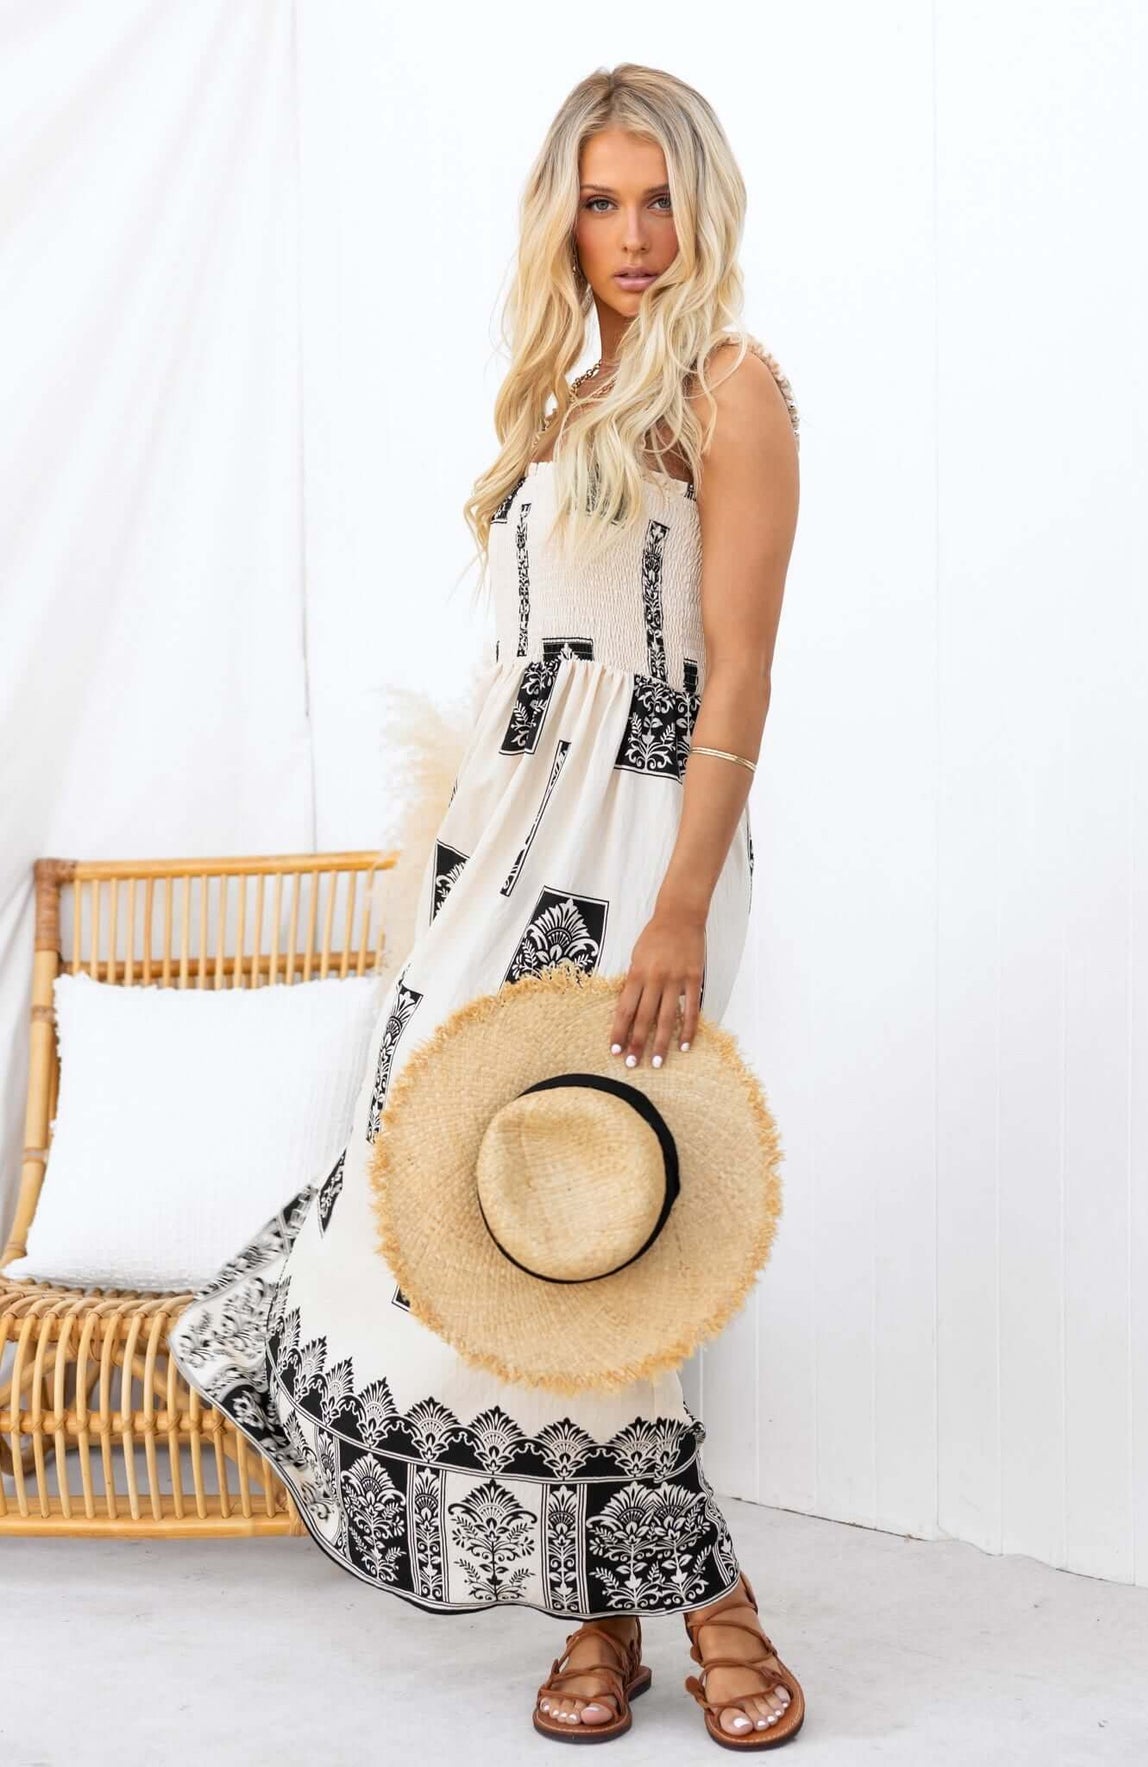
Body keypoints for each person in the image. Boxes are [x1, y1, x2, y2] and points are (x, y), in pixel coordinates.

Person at [168, 60, 802, 1750]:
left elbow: (736, 675)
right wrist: (450, 862)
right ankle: (597, 1611)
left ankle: (710, 1606)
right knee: (482, 1201)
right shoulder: (557, 404)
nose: (635, 235)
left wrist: (676, 911)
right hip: (499, 850)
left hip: (642, 846)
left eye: (659, 197)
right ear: (562, 217)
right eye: (603, 200)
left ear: (702, 205)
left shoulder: (732, 392)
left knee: (609, 1215)